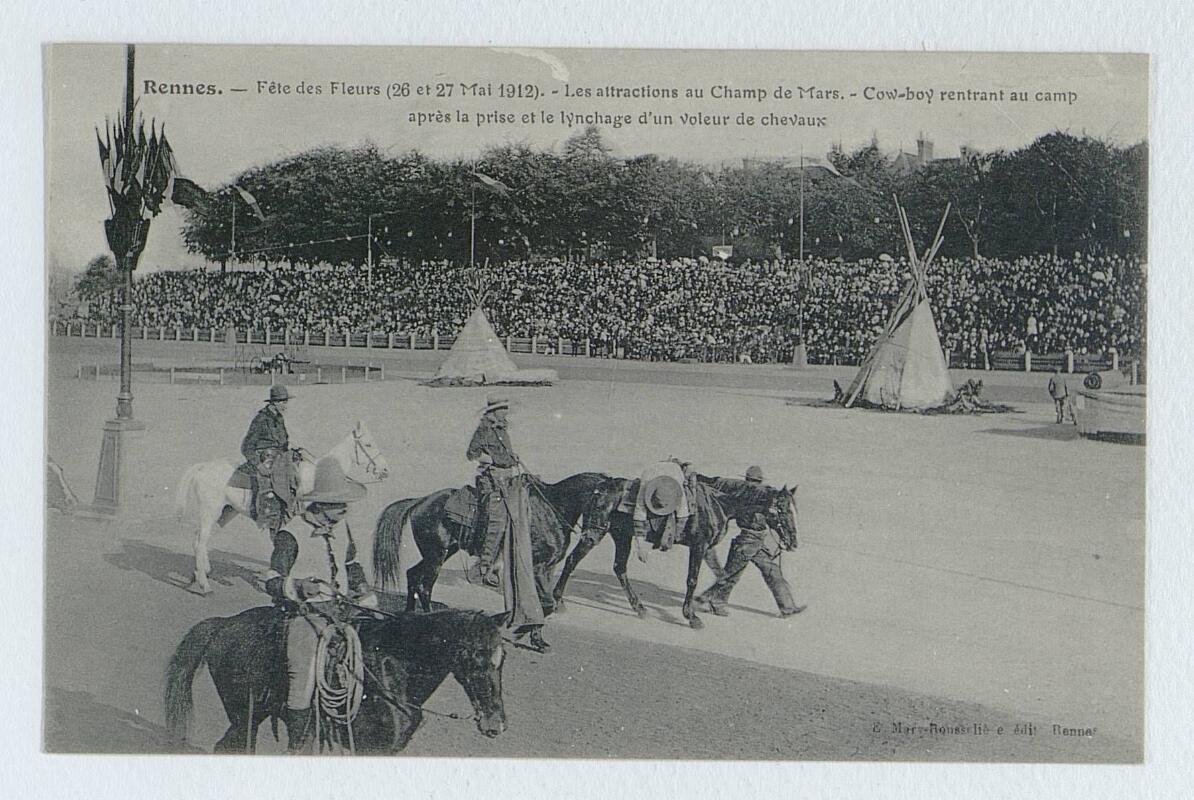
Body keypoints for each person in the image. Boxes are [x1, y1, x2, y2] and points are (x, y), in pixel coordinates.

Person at [261, 459, 375, 753]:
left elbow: (351, 563)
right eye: (339, 504)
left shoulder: (342, 528)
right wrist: (298, 586)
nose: (345, 509)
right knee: (303, 674)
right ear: (321, 504)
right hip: (305, 615)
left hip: (341, 613)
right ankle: (298, 745)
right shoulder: (292, 534)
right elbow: (272, 579)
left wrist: (363, 592)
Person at [696, 466, 804, 618]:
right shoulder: (749, 496)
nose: (754, 485)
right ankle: (710, 600)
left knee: (772, 573)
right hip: (746, 542)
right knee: (730, 575)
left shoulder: (761, 497)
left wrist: (784, 537)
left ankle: (787, 607)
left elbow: (774, 519)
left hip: (757, 542)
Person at [467, 394, 519, 587]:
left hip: (507, 477)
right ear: (493, 411)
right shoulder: (483, 429)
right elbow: (471, 453)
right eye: (502, 409)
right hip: (491, 480)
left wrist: (511, 457)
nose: (506, 412)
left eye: (506, 408)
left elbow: (502, 452)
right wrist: (485, 459)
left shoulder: (502, 429)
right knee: (497, 519)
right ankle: (484, 563)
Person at [240, 384, 301, 533]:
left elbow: (283, 442)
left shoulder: (279, 418)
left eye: (286, 401)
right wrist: (258, 464)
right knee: (270, 489)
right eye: (282, 402)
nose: (285, 405)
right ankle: (270, 519)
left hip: (280, 458)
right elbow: (246, 447)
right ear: (274, 402)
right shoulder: (260, 419)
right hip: (265, 459)